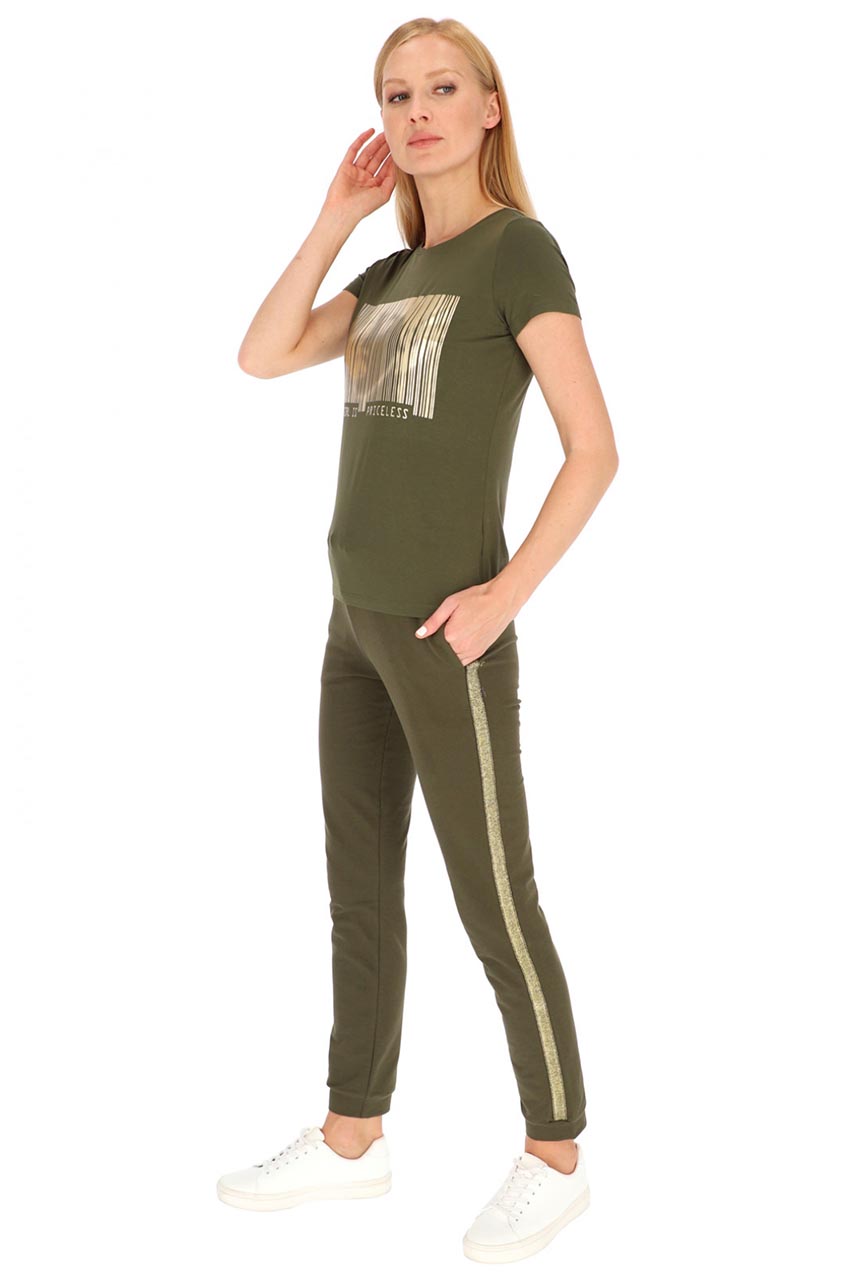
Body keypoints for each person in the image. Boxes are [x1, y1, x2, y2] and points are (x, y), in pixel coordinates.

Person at [217, 16, 618, 1264]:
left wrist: (504, 597)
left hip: (450, 631)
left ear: (490, 107)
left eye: (443, 88)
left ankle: (555, 1152)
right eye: (396, 95)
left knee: (494, 894)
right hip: (354, 620)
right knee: (359, 888)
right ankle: (354, 1133)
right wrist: (336, 216)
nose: (417, 112)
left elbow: (594, 448)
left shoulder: (518, 252)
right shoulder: (391, 276)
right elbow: (260, 353)